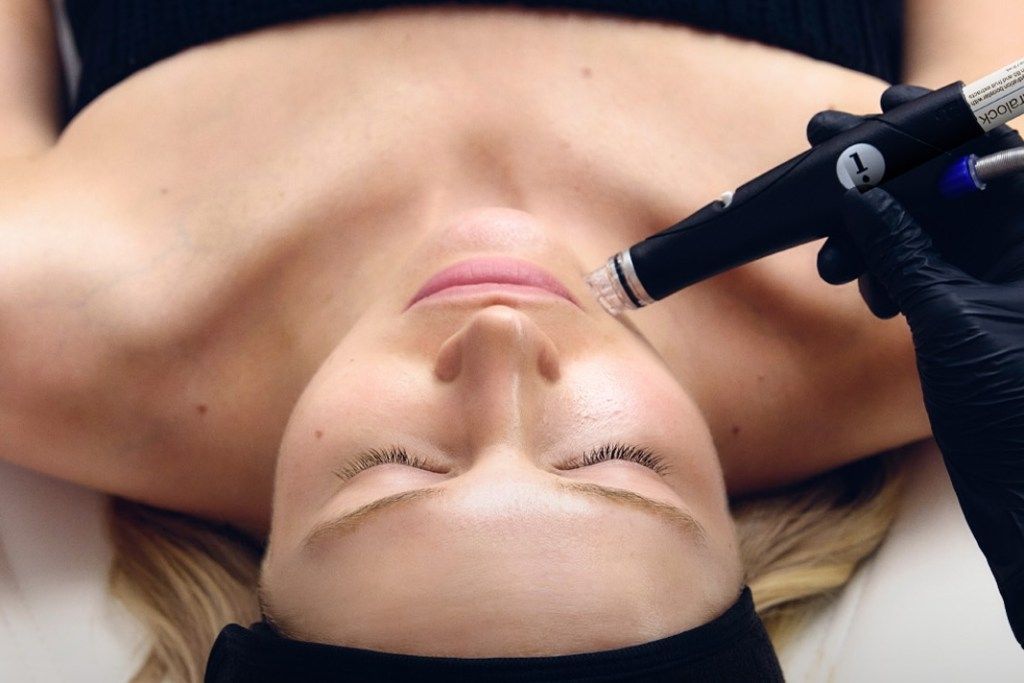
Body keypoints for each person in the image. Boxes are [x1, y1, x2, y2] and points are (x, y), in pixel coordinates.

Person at [0, 0, 1019, 679]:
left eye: (390, 465)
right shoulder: (946, 297)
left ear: (270, 569)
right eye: (612, 455)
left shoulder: (45, 327)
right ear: (727, 533)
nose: (496, 341)